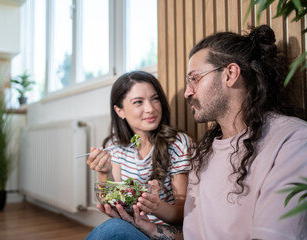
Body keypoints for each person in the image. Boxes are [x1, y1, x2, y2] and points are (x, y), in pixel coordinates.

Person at [104, 25, 307, 239]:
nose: (187, 92)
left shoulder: (291, 140)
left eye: (194, 78)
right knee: (115, 230)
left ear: (230, 74)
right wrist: (150, 228)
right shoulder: (205, 152)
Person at [85, 71, 193, 239]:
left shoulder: (177, 143)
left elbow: (182, 212)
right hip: (132, 228)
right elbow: (113, 203)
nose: (150, 109)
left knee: (112, 230)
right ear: (120, 111)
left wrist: (156, 206)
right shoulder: (115, 146)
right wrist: (104, 172)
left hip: (164, 234)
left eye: (155, 98)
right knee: (113, 228)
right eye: (138, 102)